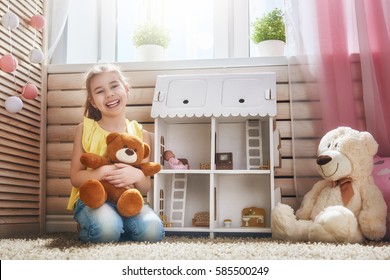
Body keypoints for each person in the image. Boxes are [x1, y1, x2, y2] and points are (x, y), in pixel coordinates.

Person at [67, 63, 164, 243]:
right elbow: (75, 177)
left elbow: (144, 187)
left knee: (153, 230)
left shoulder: (140, 134)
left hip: (127, 199)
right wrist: (102, 172)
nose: (109, 94)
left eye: (114, 86)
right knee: (106, 230)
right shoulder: (84, 129)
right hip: (92, 199)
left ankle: (117, 225)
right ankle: (100, 226)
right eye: (100, 91)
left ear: (126, 89)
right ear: (93, 101)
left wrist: (136, 174)